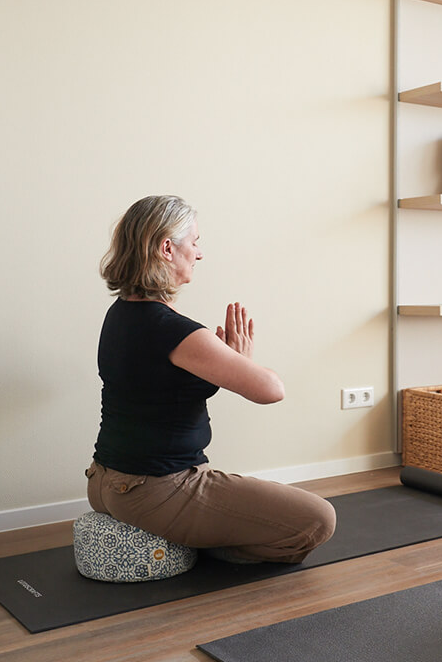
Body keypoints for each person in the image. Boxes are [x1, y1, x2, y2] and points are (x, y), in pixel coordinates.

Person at [86, 195, 335, 564]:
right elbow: (271, 390)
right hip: (158, 491)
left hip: (104, 482)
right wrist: (241, 360)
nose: (199, 254)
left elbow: (160, 386)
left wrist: (226, 361)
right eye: (195, 242)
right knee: (318, 520)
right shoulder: (174, 331)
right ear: (167, 248)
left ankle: (197, 538)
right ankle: (200, 548)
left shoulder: (120, 314)